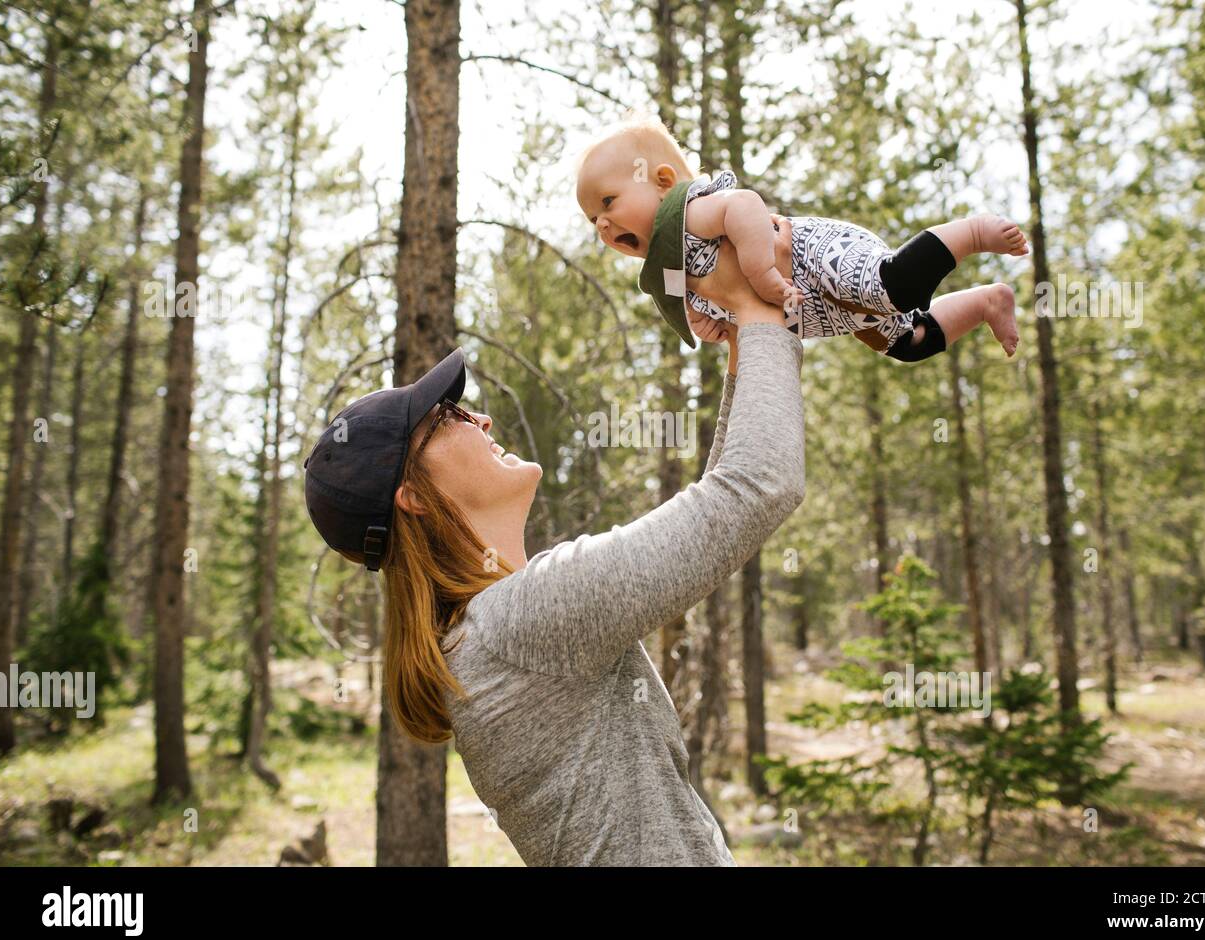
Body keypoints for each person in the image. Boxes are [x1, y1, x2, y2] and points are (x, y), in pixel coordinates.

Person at [302, 225, 804, 866]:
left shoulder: (489, 635)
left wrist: (741, 345)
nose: (479, 417)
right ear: (414, 497)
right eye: (448, 417)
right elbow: (758, 486)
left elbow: (723, 499)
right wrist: (764, 309)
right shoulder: (526, 620)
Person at [574, 111, 1027, 359]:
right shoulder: (670, 269)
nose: (603, 225)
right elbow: (721, 312)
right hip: (821, 310)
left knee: (897, 286)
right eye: (594, 219)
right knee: (912, 342)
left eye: (609, 203)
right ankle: (987, 301)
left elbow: (744, 205)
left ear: (662, 181)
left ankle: (971, 231)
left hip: (816, 258)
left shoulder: (687, 211)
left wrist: (759, 266)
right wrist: (708, 325)